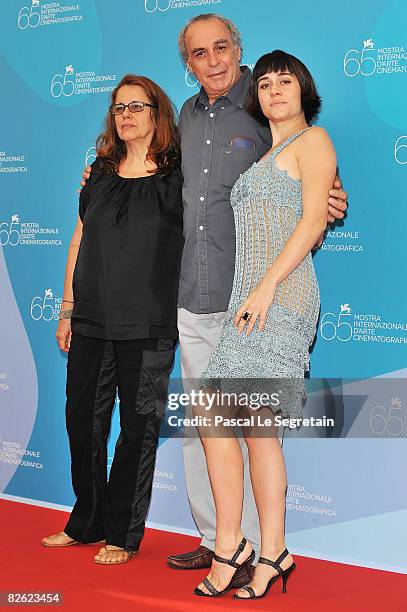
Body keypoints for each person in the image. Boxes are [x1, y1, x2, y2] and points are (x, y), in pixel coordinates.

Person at [81, 14, 347, 576]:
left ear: (237, 48)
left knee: (252, 431)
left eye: (221, 47)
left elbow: (304, 173)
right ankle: (218, 538)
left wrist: (331, 199)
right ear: (189, 63)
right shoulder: (183, 114)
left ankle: (257, 546)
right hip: (190, 294)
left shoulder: (267, 99)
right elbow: (157, 178)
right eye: (199, 53)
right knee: (206, 432)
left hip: (251, 298)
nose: (214, 60)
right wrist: (99, 179)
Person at [192, 49, 336, 599]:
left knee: (256, 424)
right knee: (214, 416)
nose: (276, 90)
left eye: (287, 82)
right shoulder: (263, 155)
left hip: (283, 296)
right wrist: (252, 293)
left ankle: (269, 548)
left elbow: (314, 218)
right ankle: (236, 545)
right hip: (246, 303)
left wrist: (268, 285)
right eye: (268, 82)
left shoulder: (314, 143)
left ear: (304, 91)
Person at [42, 75, 183, 565]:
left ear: (156, 114)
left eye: (136, 106)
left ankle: (122, 533)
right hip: (91, 321)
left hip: (148, 325)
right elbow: (79, 241)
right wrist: (67, 308)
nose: (126, 115)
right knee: (82, 423)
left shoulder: (178, 178)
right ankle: (87, 521)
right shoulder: (98, 174)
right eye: (119, 107)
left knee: (138, 429)